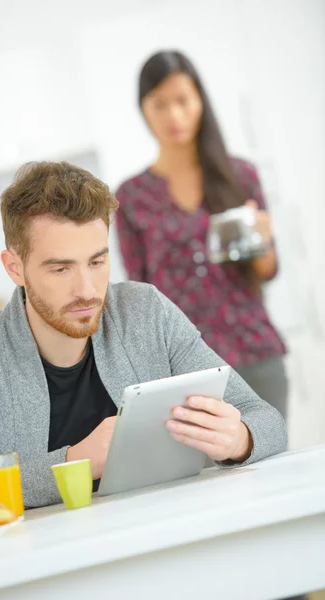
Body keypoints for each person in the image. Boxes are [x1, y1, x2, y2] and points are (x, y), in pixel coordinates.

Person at [0, 161, 287, 510]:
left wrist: (240, 438)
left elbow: (266, 420)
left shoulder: (145, 312)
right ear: (14, 267)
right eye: (61, 268)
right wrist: (73, 463)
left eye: (96, 262)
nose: (86, 289)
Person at [116, 50, 288, 421]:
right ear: (143, 109)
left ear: (200, 101)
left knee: (274, 469)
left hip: (255, 352)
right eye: (160, 104)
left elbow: (268, 270)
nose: (174, 116)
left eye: (182, 100)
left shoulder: (240, 175)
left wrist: (262, 241)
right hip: (185, 374)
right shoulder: (131, 198)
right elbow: (141, 297)